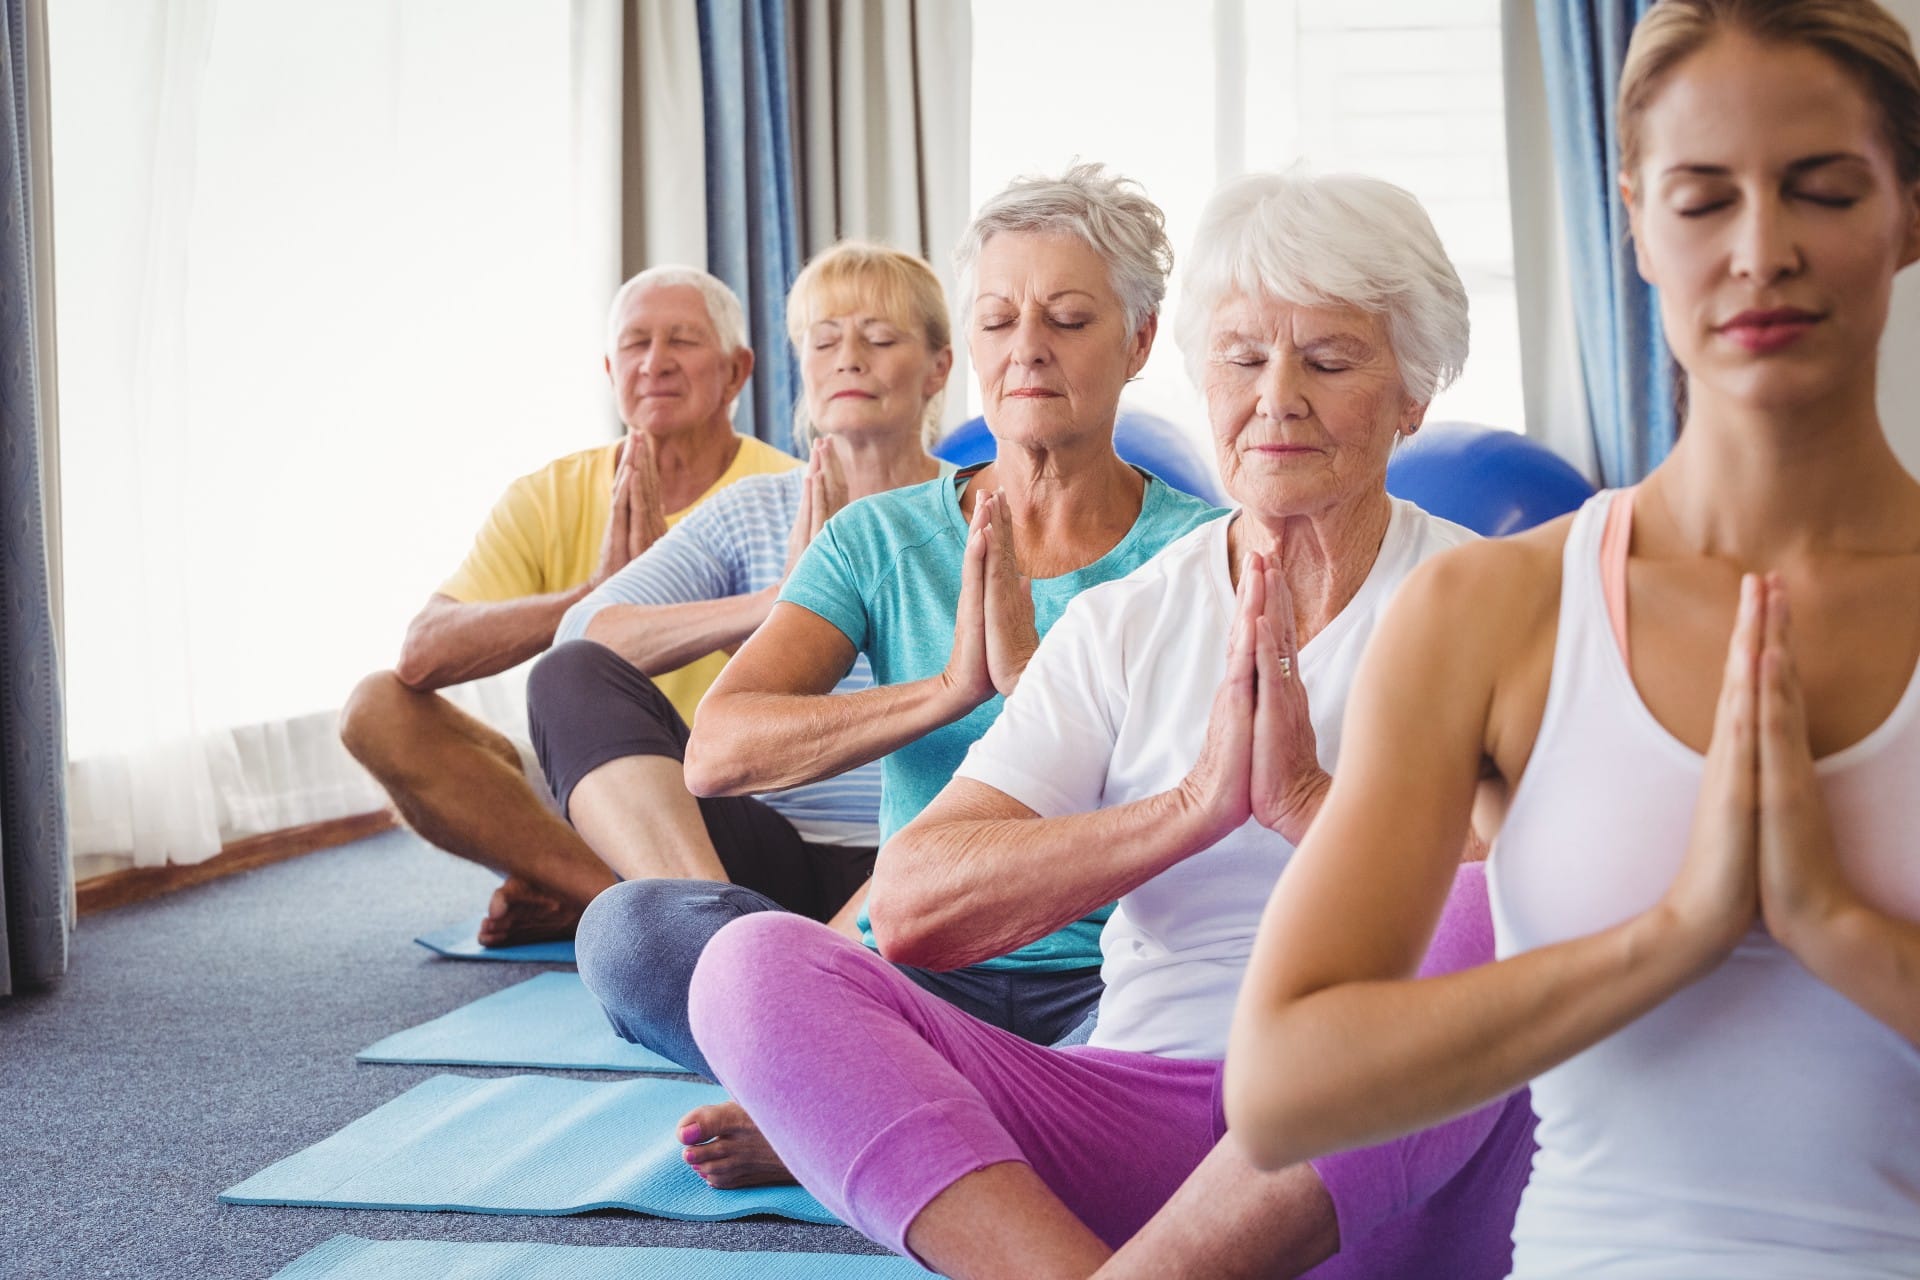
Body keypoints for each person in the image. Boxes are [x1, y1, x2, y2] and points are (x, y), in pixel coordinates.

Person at [684, 170, 1536, 1279]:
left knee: (1492, 905)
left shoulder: (1502, 604)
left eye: (1328, 360)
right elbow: (914, 908)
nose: (1275, 397)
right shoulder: (1129, 620)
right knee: (748, 967)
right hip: (1146, 1115)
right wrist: (1187, 810)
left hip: (1392, 1140)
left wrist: (1307, 806)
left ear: (1413, 395)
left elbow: (1555, 902)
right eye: (1241, 357)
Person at [1226, 2, 1920, 1276]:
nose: (1762, 249)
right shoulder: (1492, 612)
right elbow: (1280, 1087)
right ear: (1639, 222)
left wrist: (1834, 925)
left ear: (1910, 210)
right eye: (1704, 199)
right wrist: (1671, 937)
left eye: (1821, 189)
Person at [576, 163, 1223, 1184]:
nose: (1029, 349)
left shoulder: (1205, 553)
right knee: (631, 934)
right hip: (914, 971)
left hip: (1116, 981)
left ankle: (860, 1102)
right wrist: (948, 688)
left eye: (1067, 317)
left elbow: (1216, 794)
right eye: (1001, 319)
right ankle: (956, 1101)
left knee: (1229, 1035)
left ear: (1138, 342)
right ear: (969, 345)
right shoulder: (882, 537)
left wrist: (1033, 689)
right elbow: (719, 750)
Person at [529, 243, 956, 1066]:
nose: (849, 360)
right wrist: (776, 604)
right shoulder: (754, 511)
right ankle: (723, 947)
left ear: (938, 368)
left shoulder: (979, 510)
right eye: (825, 340)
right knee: (568, 680)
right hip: (769, 867)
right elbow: (584, 634)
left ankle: (784, 1022)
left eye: (879, 337)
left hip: (924, 859)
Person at [338, 267, 795, 946]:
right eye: (636, 344)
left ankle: (624, 894)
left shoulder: (785, 491)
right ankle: (603, 894)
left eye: (683, 341)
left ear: (736, 372)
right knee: (375, 708)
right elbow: (422, 652)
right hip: (587, 780)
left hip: (732, 793)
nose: (655, 362)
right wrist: (596, 596)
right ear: (611, 369)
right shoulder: (547, 493)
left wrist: (673, 598)